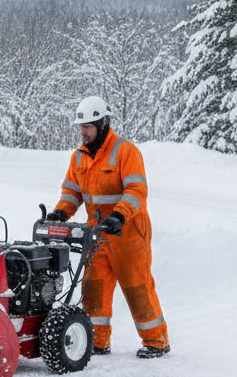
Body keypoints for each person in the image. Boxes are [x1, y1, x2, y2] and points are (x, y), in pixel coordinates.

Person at [46, 96, 170, 358]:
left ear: (102, 124)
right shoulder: (78, 157)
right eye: (81, 127)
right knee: (93, 288)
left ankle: (156, 340)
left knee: (136, 285)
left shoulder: (125, 151)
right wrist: (61, 212)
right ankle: (96, 340)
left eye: (88, 126)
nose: (83, 132)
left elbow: (137, 190)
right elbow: (71, 191)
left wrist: (119, 215)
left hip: (129, 232)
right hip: (96, 233)